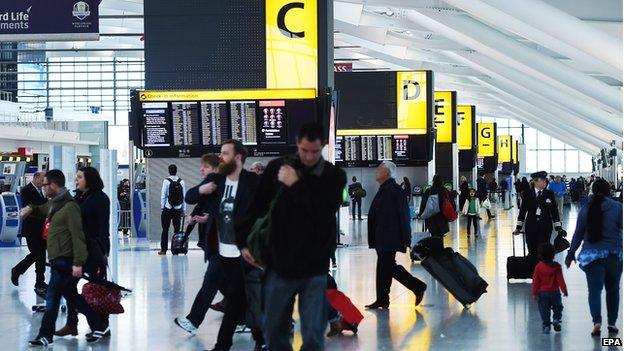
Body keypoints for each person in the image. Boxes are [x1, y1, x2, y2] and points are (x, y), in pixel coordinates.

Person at [237, 123, 346, 351]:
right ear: (298, 144)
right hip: (279, 264)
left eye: (315, 151)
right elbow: (256, 207)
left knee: (314, 335)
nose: (309, 156)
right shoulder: (278, 168)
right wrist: (244, 242)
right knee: (275, 332)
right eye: (305, 150)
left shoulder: (333, 176)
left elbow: (322, 213)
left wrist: (295, 184)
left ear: (323, 147)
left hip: (314, 268)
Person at [190, 141, 264, 351]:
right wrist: (202, 189)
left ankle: (223, 345)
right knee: (239, 299)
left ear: (238, 157)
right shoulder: (217, 180)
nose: (220, 157)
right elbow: (190, 197)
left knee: (237, 299)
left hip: (246, 252)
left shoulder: (252, 182)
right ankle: (261, 338)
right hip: (224, 253)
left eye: (225, 153)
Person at [22, 169, 106, 346]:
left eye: (45, 185)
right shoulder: (55, 204)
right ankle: (98, 324)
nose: (43, 188)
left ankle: (45, 335)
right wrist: (30, 209)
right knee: (72, 296)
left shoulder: (70, 207)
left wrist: (78, 262)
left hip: (65, 260)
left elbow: (78, 236)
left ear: (53, 185)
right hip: (57, 259)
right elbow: (43, 210)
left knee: (52, 298)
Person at [55, 167, 112, 338]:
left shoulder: (100, 198)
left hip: (94, 251)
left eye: (79, 177)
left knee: (97, 288)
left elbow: (103, 227)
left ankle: (101, 325)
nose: (76, 180)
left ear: (89, 179)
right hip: (78, 249)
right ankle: (75, 324)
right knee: (68, 286)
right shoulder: (78, 197)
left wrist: (103, 251)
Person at [174, 154, 227, 335]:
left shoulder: (217, 180)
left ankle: (193, 320)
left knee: (211, 283)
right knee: (230, 285)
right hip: (218, 245)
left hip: (223, 244)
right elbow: (196, 201)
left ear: (213, 168)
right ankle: (245, 318)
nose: (201, 170)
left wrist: (208, 216)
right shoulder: (217, 183)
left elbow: (190, 197)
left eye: (204, 167)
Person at [365, 161, 427, 309]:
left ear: (387, 173)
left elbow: (404, 215)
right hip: (382, 236)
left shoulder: (395, 190)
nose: (376, 171)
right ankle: (382, 299)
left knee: (386, 267)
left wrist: (407, 238)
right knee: (384, 268)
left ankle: (417, 286)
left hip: (390, 237)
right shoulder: (384, 189)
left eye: (380, 169)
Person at [565, 179, 622, 337]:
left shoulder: (585, 209)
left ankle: (597, 322)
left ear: (592, 191)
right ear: (608, 191)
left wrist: (570, 255)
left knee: (594, 291)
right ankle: (612, 323)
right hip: (614, 255)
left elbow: (577, 234)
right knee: (613, 290)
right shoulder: (618, 207)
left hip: (592, 257)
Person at [11, 171, 47, 291]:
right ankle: (17, 270)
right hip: (31, 228)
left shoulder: (42, 191)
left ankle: (40, 282)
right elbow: (30, 207)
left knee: (41, 255)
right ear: (36, 178)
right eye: (42, 180)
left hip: (41, 229)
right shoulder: (26, 190)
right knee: (37, 254)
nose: (44, 183)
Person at [513, 171, 563, 257]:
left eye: (545, 180)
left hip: (545, 228)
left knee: (544, 252)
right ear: (535, 181)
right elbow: (522, 211)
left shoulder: (549, 194)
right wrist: (518, 227)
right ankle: (533, 269)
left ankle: (543, 269)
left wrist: (558, 227)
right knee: (532, 251)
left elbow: (554, 211)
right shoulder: (527, 193)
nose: (545, 182)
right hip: (531, 227)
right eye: (542, 180)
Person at [532, 243, 568, 333]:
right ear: (553, 254)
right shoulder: (557, 266)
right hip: (555, 292)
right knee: (558, 307)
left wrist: (534, 293)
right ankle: (556, 319)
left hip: (543, 293)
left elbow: (536, 281)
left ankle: (546, 325)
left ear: (540, 255)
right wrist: (564, 290)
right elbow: (560, 280)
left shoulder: (538, 267)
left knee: (544, 309)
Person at [159, 164, 186, 255]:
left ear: (169, 171)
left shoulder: (166, 181)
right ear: (176, 171)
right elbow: (184, 197)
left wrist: (162, 207)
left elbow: (163, 195)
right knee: (177, 230)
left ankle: (163, 250)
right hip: (178, 209)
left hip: (168, 208)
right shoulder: (181, 182)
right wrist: (183, 210)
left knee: (165, 229)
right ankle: (176, 249)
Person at [418, 175, 451, 242]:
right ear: (442, 182)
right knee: (440, 237)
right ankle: (440, 250)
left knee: (433, 236)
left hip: (431, 218)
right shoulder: (444, 191)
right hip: (442, 217)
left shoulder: (428, 191)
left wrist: (421, 214)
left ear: (433, 181)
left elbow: (423, 204)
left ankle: (434, 250)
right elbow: (451, 203)